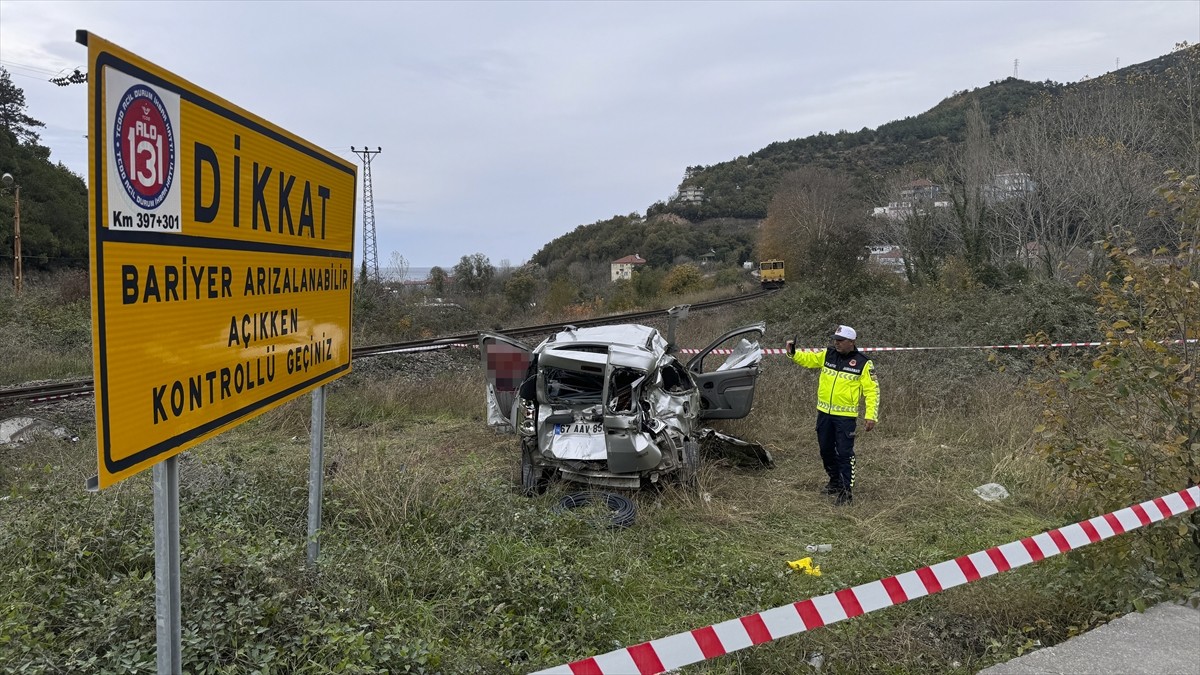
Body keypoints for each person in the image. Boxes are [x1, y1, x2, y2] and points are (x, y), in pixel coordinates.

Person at [785, 325, 879, 505]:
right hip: (824, 414)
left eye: (840, 340)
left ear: (851, 342)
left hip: (845, 417)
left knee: (844, 453)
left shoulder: (863, 363)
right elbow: (808, 359)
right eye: (835, 340)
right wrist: (793, 353)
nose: (836, 343)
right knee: (825, 450)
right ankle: (834, 481)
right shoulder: (827, 354)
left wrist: (871, 415)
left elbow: (872, 391)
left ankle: (846, 492)